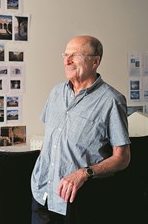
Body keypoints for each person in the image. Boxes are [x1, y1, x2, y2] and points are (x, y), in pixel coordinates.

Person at [30, 35, 131, 224]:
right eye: (65, 55)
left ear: (95, 61)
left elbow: (123, 158)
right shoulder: (56, 93)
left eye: (75, 55)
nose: (67, 61)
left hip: (77, 201)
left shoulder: (111, 100)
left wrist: (84, 173)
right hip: (41, 193)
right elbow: (51, 140)